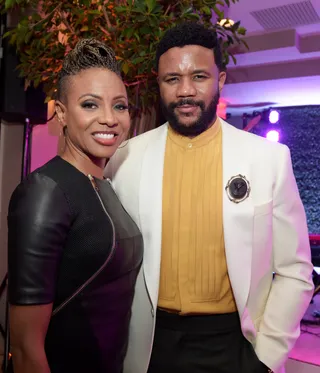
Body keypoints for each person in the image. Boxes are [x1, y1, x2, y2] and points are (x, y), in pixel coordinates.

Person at [105, 22, 314, 373]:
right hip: (151, 347)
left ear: (219, 81)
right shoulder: (126, 160)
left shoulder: (268, 160)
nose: (185, 91)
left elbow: (295, 270)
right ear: (159, 84)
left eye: (198, 77)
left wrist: (265, 357)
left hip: (233, 346)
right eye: (172, 79)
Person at [7, 38, 143, 373]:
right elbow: (26, 349)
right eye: (90, 105)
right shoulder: (45, 191)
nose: (109, 119)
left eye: (120, 106)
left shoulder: (105, 185)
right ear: (62, 114)